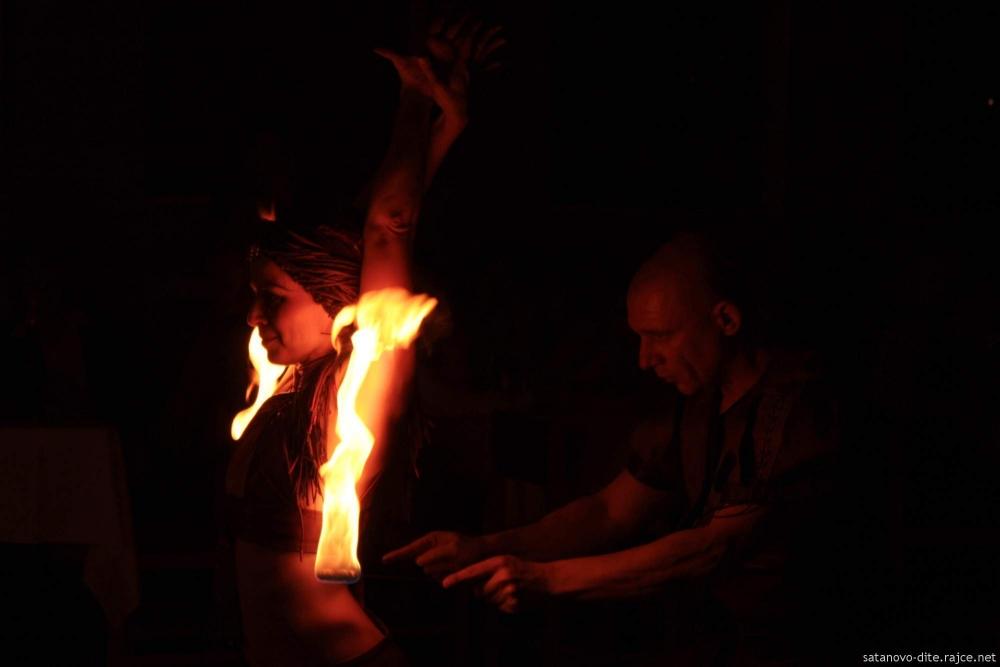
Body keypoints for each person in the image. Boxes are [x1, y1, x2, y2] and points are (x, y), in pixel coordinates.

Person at [385, 231, 841, 665]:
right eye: (639, 338)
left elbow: (710, 550)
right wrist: (483, 547)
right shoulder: (691, 404)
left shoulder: (801, 409)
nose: (644, 359)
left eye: (660, 336)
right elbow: (610, 512)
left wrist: (547, 579)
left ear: (725, 320)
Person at [223, 19, 504, 667]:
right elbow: (363, 226)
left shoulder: (368, 378)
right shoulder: (289, 381)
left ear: (335, 304)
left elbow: (387, 226)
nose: (255, 315)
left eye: (274, 297)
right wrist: (445, 128)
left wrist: (414, 95)